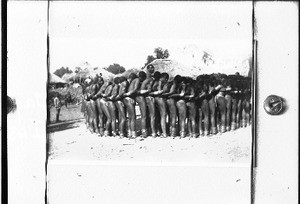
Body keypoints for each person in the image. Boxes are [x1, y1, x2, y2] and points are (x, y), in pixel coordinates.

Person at [123, 73, 140, 139]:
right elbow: (135, 89)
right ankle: (133, 134)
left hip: (126, 99)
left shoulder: (130, 82)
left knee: (130, 117)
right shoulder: (137, 80)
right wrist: (129, 94)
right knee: (133, 117)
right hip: (129, 98)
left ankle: (129, 132)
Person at [136, 71, 148, 138]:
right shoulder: (138, 81)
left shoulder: (136, 81)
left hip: (138, 98)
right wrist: (145, 91)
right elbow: (135, 91)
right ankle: (144, 132)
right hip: (140, 98)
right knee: (144, 116)